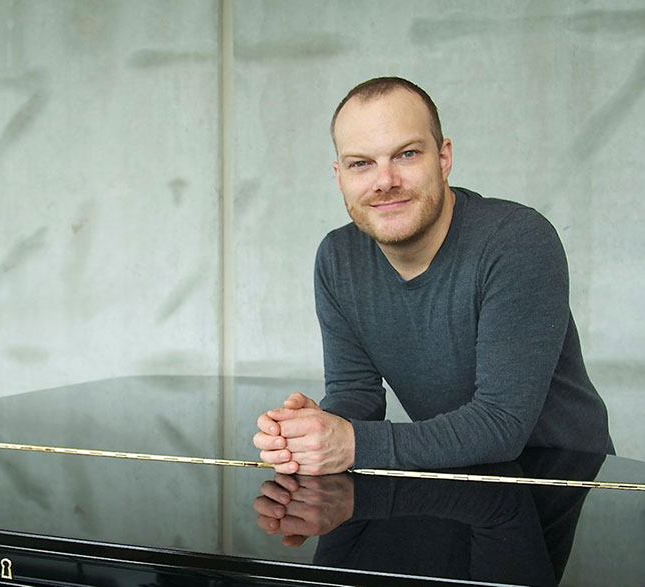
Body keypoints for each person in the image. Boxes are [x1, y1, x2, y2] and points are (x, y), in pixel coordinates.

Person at [253, 77, 613, 476]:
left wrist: (352, 443)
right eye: (361, 163)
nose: (385, 181)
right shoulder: (339, 257)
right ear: (340, 176)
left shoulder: (516, 241)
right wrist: (314, 431)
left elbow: (501, 425)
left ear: (443, 159)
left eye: (406, 154)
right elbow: (356, 395)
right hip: (449, 473)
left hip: (560, 485)